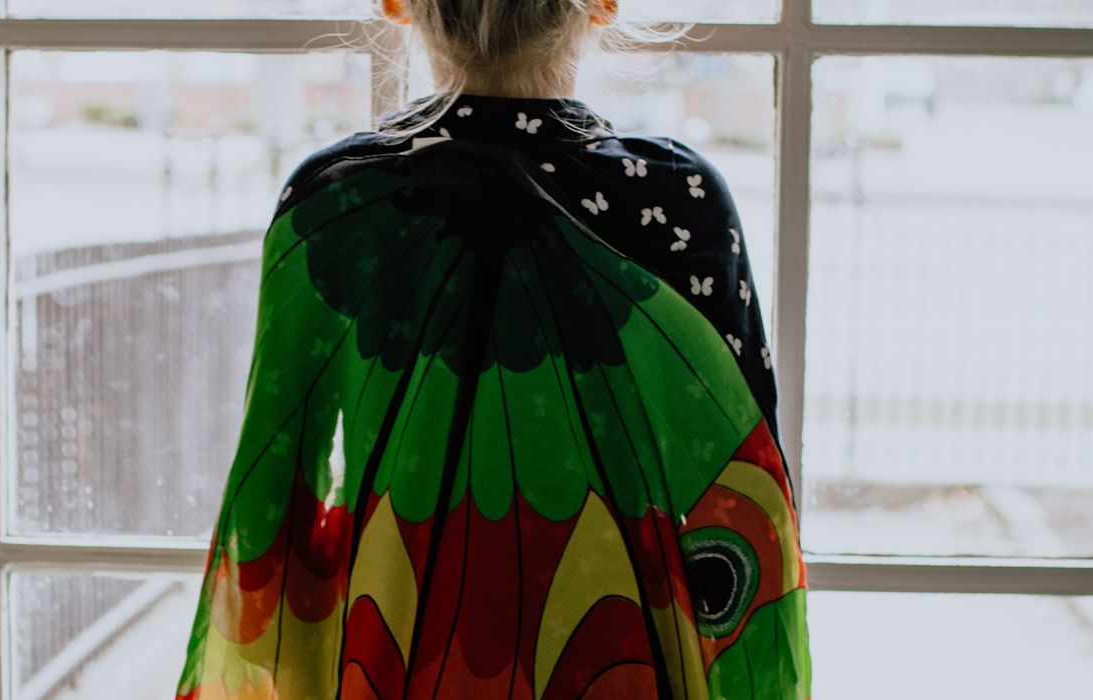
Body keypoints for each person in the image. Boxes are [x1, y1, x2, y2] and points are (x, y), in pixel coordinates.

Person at [175, 0, 812, 698]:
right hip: (620, 645)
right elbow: (745, 483)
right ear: (603, 4)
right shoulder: (679, 199)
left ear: (395, 5)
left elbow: (274, 494)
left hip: (393, 634)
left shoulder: (334, 200)